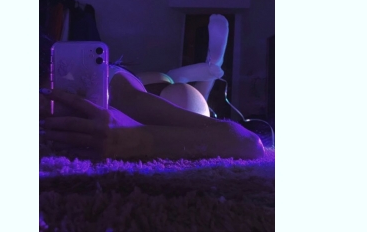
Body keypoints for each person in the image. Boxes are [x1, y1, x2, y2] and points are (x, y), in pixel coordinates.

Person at [39, 15, 265, 160]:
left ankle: (214, 66)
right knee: (173, 78)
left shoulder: (110, 90)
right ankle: (210, 68)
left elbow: (247, 143)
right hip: (144, 82)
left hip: (148, 90)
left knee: (186, 95)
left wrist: (139, 138)